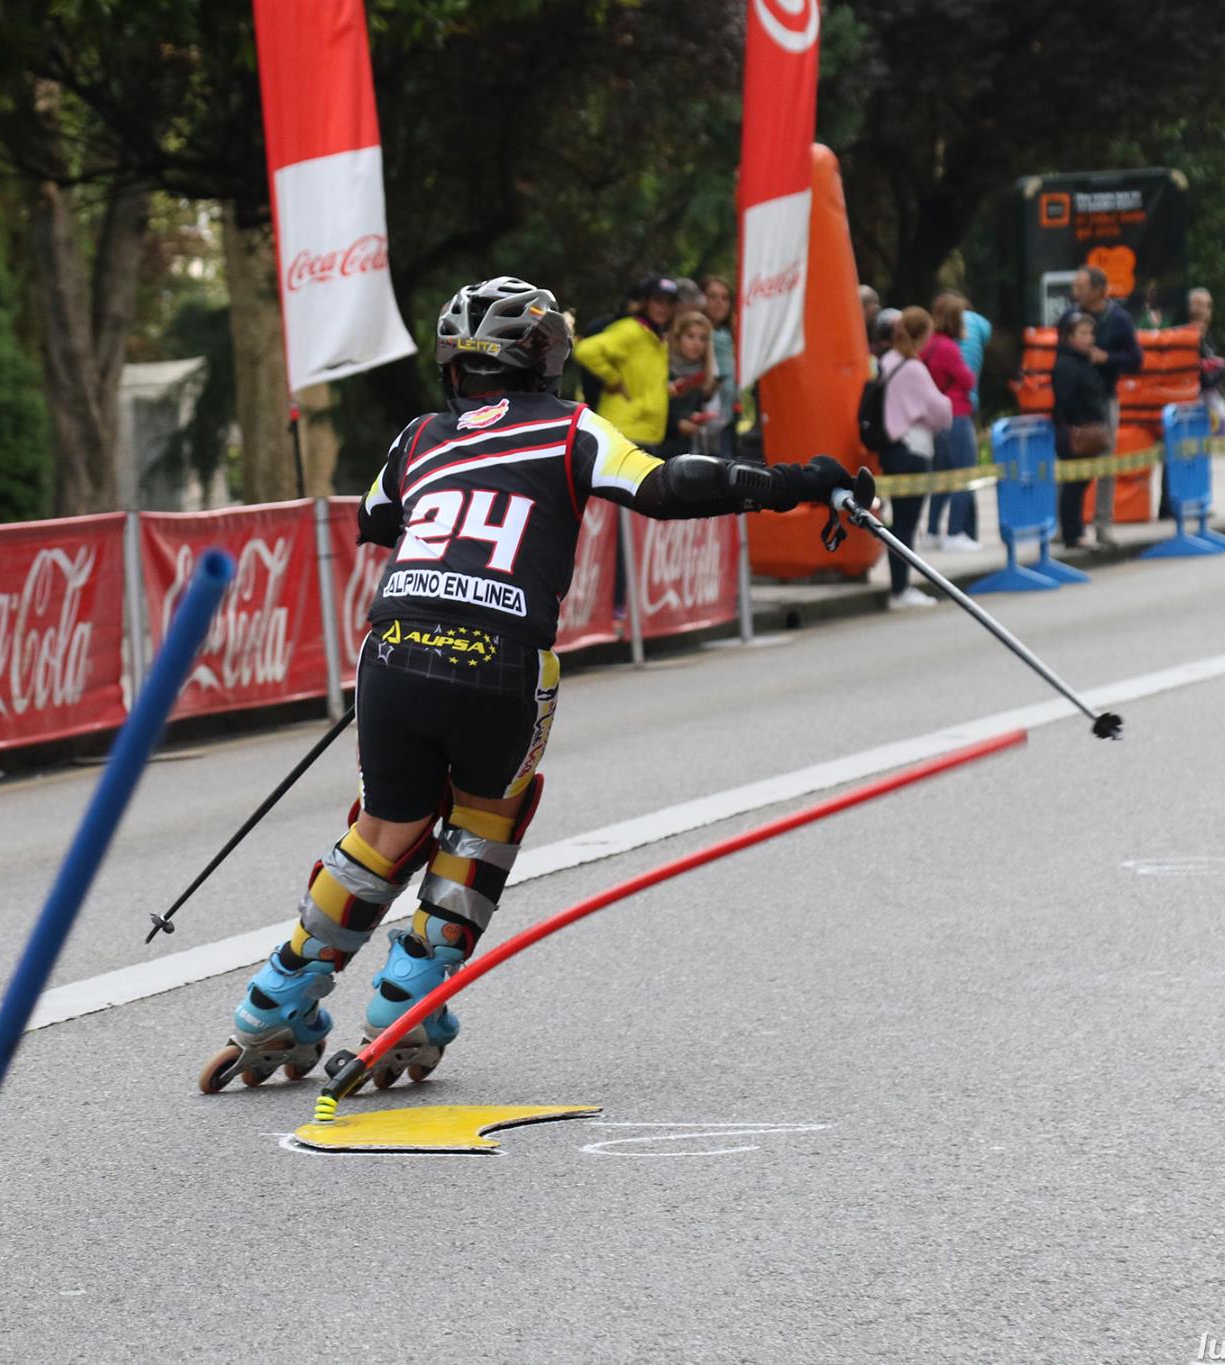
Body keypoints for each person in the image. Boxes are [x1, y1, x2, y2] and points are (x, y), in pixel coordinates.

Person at [200, 275, 869, 1093]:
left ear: (454, 365)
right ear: (546, 360)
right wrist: (799, 481)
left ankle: (276, 998)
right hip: (502, 657)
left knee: (382, 830)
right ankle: (407, 1002)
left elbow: (375, 520)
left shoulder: (417, 435)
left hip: (395, 647)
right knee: (485, 820)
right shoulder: (571, 427)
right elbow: (665, 486)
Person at [878, 306, 952, 610]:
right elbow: (941, 411)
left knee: (898, 522)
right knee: (907, 524)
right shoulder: (913, 369)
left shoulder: (886, 362)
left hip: (891, 449)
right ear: (923, 335)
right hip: (914, 448)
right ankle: (901, 589)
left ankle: (899, 586)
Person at [1071, 265, 1141, 547]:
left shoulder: (1119, 319)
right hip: (1075, 400)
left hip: (1104, 399)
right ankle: (1068, 525)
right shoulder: (1070, 316)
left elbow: (1136, 359)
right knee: (1070, 463)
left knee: (1106, 461)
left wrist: (1107, 358)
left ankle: (1103, 525)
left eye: (1081, 287)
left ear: (1099, 290)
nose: (1075, 292)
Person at [573, 276, 677, 449]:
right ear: (645, 302)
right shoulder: (631, 330)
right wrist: (613, 379)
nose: (664, 308)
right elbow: (585, 350)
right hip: (624, 430)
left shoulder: (656, 337)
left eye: (669, 303)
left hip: (646, 432)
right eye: (658, 301)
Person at [921, 294, 980, 552]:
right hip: (957, 414)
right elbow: (968, 380)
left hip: (937, 419)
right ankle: (955, 532)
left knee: (942, 477)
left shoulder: (929, 344)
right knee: (964, 475)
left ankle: (932, 531)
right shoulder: (948, 347)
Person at [1051, 311, 1109, 549]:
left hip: (1087, 429)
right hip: (1074, 432)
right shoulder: (1067, 364)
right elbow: (1066, 399)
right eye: (1083, 333)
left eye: (1091, 333)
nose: (1089, 338)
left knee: (1081, 483)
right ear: (1069, 336)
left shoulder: (1084, 362)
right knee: (1073, 485)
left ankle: (1076, 530)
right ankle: (1072, 533)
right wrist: (1079, 422)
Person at [661, 310, 722, 456]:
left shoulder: (705, 373)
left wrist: (696, 417)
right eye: (690, 336)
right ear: (678, 338)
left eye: (703, 338)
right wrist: (676, 424)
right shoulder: (663, 365)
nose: (697, 344)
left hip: (687, 451)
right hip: (658, 448)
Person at [702, 276, 739, 460]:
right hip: (703, 421)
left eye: (725, 298)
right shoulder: (695, 333)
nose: (719, 303)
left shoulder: (730, 333)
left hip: (728, 418)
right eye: (713, 297)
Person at [1190, 287, 1225, 435]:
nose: (1206, 310)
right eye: (1201, 305)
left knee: (1222, 424)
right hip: (1196, 395)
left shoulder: (1207, 337)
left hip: (1212, 395)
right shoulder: (1187, 337)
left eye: (1208, 305)